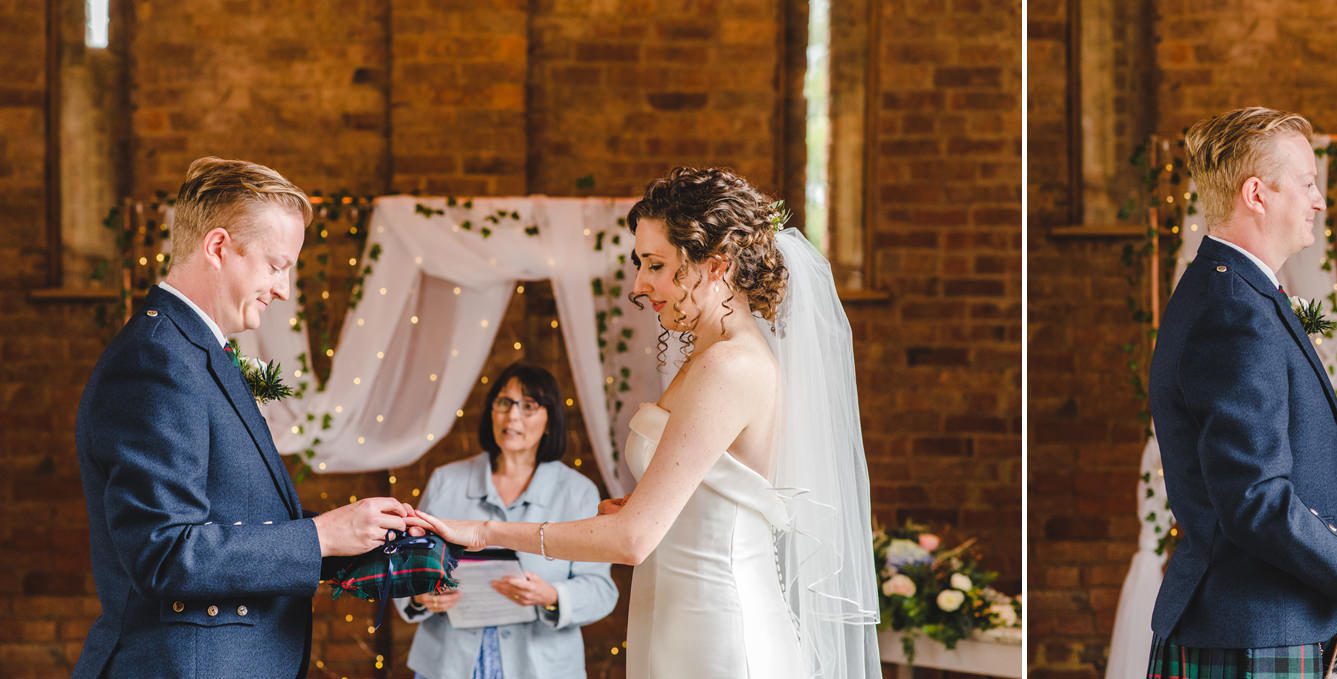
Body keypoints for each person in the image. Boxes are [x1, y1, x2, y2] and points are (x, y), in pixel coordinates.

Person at [417, 167, 880, 679]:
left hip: (719, 631)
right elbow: (706, 494)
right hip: (678, 614)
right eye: (640, 263)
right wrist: (647, 505)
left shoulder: (731, 366)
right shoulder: (706, 356)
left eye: (655, 265)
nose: (639, 285)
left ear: (716, 265)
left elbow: (632, 541)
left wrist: (485, 531)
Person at [1142, 107, 1337, 678]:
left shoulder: (1238, 291)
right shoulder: (1233, 311)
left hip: (1264, 621)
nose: (1319, 200)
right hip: (1254, 626)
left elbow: (1283, 442)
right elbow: (1255, 499)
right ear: (1257, 194)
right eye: (1309, 183)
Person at [73, 157, 426, 678]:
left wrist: (361, 538)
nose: (283, 289)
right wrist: (320, 538)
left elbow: (232, 517)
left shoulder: (192, 352)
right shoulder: (156, 360)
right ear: (218, 247)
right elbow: (165, 553)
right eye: (276, 265)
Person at [396, 364, 618, 679]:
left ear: (549, 420)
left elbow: (601, 589)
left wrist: (553, 596)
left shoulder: (578, 492)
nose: (512, 416)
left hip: (543, 666)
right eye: (504, 403)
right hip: (446, 664)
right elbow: (407, 565)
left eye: (528, 406)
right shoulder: (446, 480)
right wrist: (420, 595)